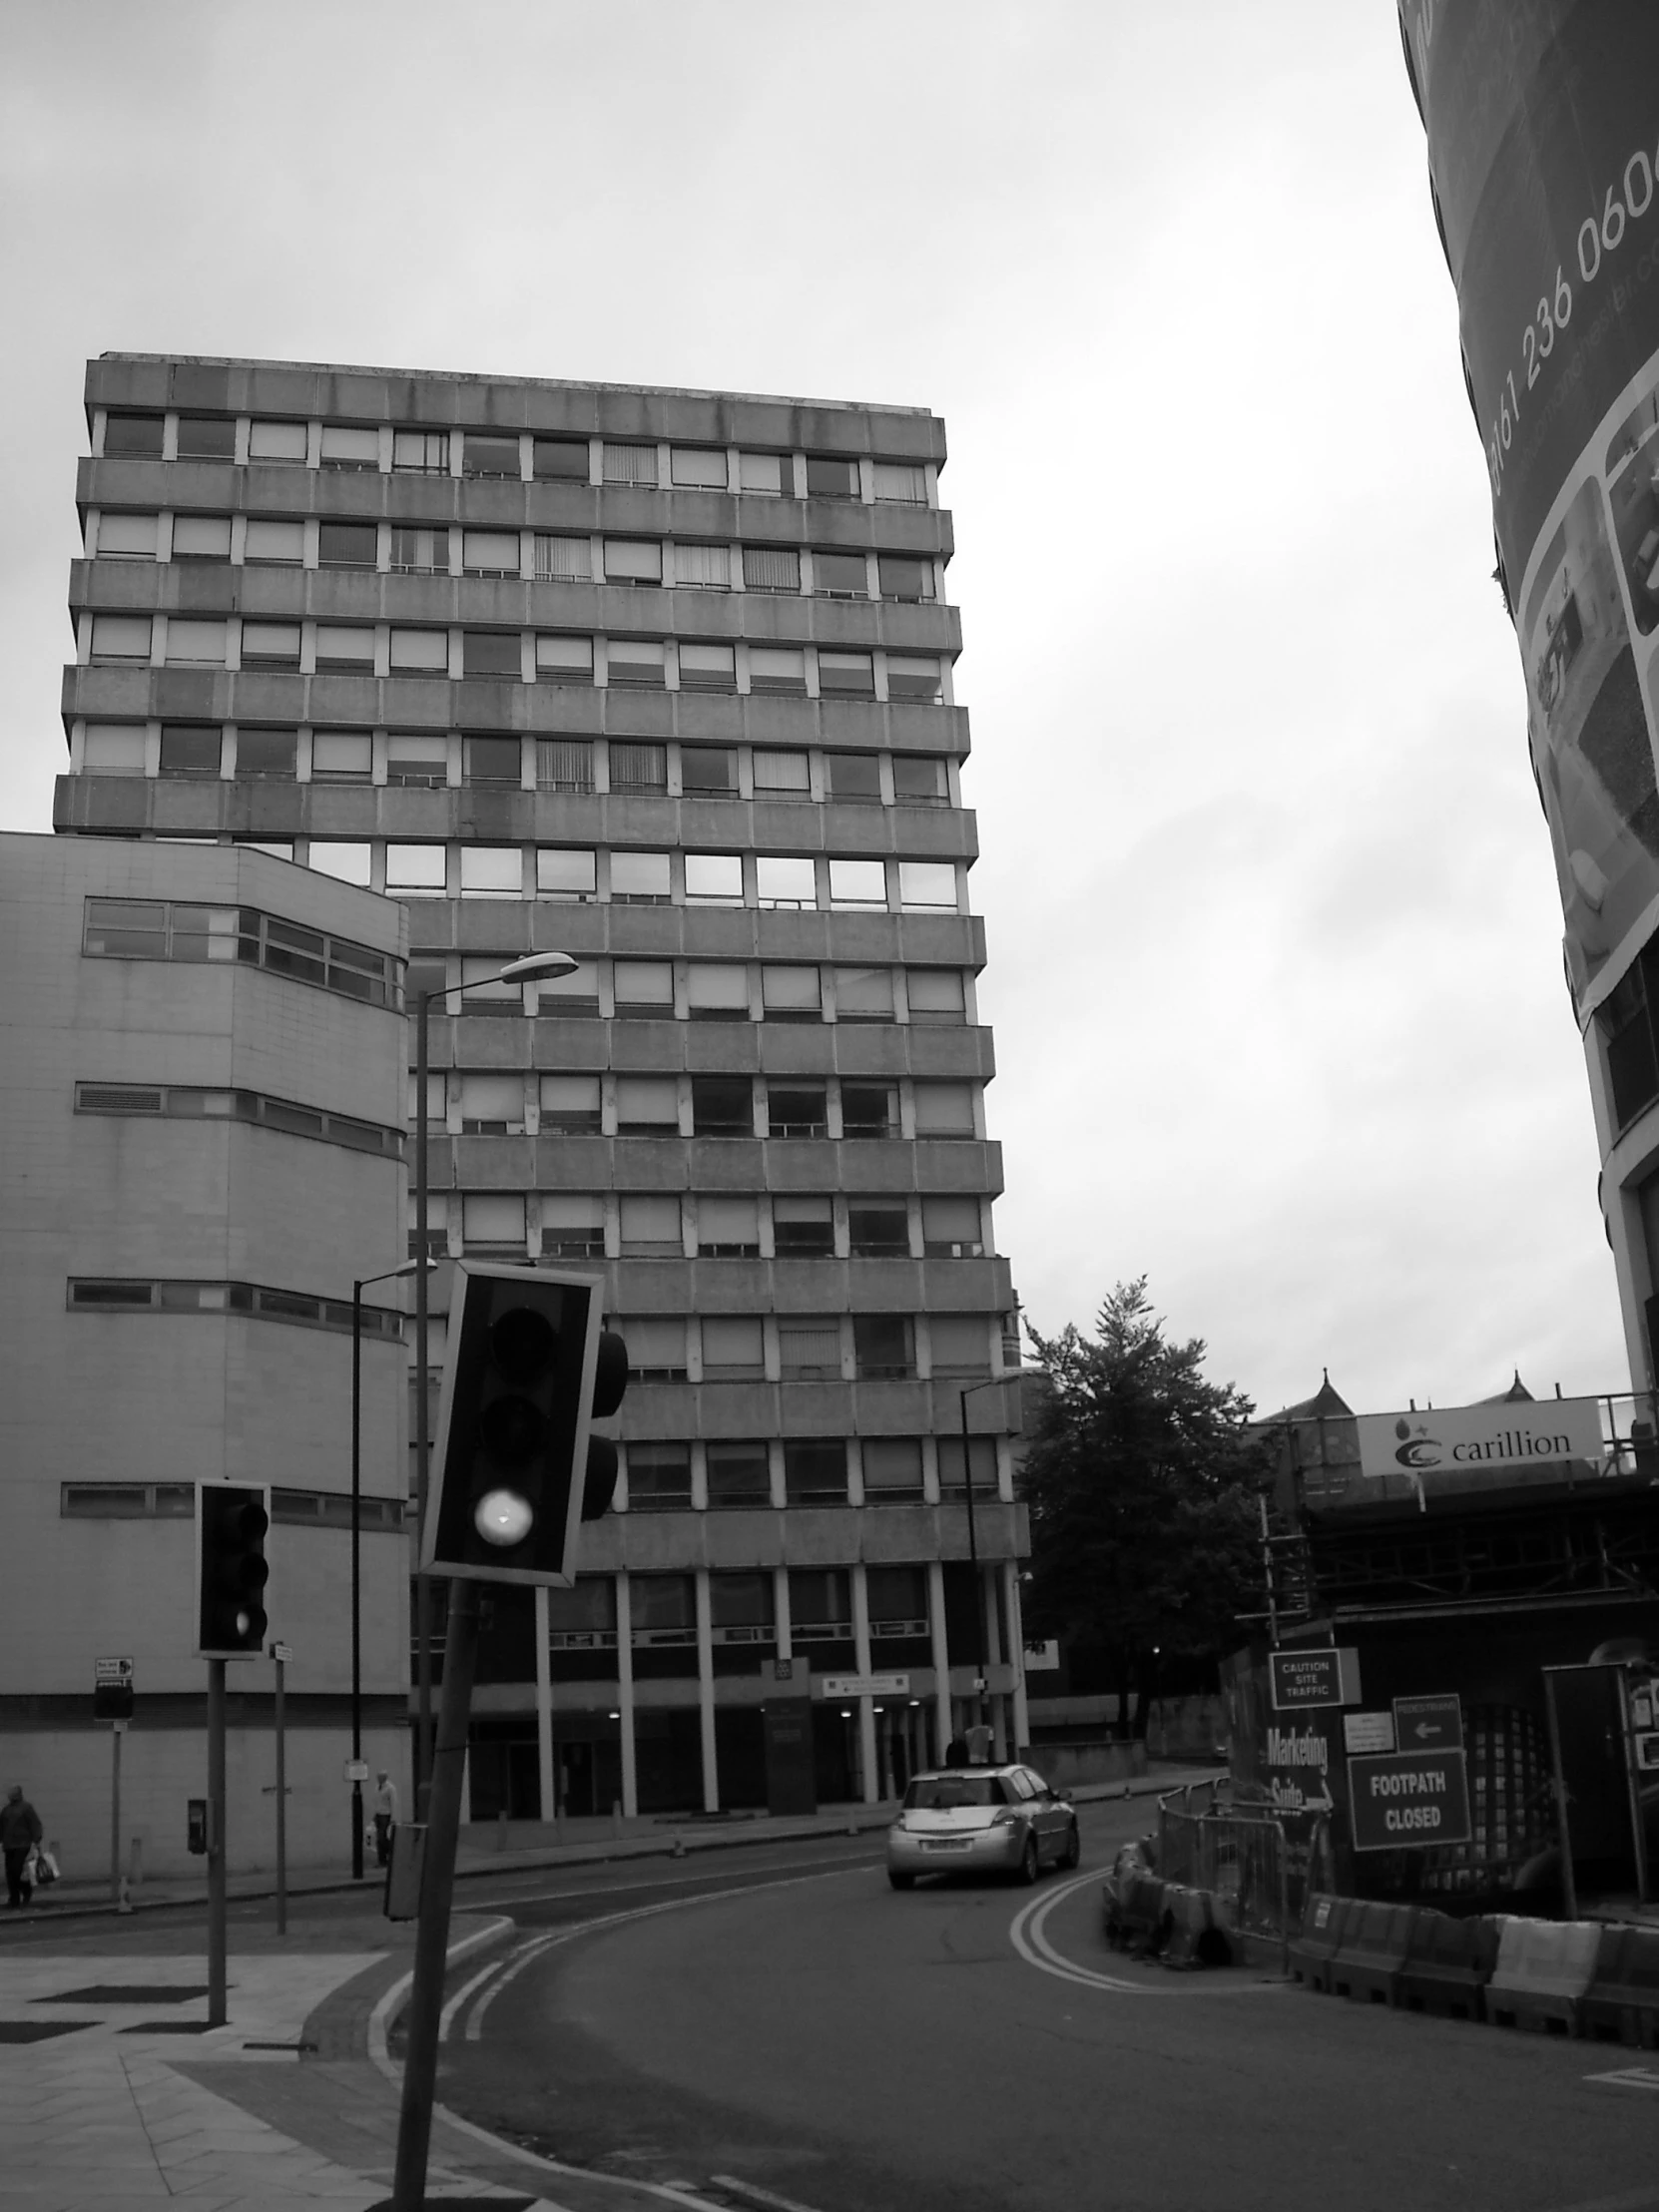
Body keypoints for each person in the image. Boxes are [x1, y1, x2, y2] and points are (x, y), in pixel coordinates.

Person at [1, 1785, 43, 1909]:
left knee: (18, 1872)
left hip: (22, 1845)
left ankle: (25, 1893)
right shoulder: (6, 1810)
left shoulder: (25, 1808)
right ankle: (14, 1898)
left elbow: (35, 1824)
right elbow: (2, 1826)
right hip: (10, 1846)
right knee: (11, 1874)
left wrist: (36, 1840)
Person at [372, 1772, 399, 1868]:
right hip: (379, 1814)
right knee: (379, 1839)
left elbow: (393, 1802)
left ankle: (390, 1855)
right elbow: (377, 1801)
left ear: (385, 1777)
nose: (378, 1779)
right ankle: (382, 1860)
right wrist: (375, 1814)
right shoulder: (377, 1787)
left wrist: (393, 1818)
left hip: (386, 1815)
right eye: (378, 1777)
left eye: (380, 1777)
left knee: (382, 1838)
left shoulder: (390, 1788)